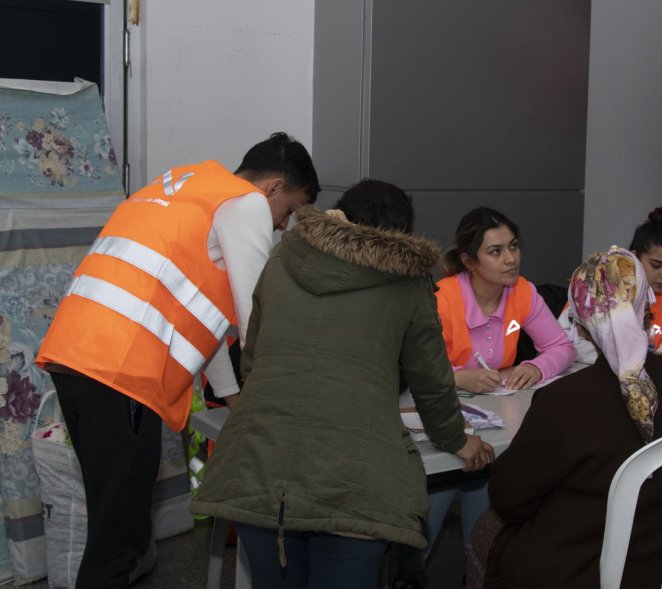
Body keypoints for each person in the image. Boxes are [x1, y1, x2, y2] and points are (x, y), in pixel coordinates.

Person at [34, 132, 319, 588]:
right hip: (121, 370)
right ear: (271, 188)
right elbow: (257, 315)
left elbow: (206, 314)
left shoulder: (183, 185)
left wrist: (229, 394)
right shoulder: (245, 204)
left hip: (77, 357)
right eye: (288, 212)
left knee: (114, 521)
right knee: (118, 538)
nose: (282, 226)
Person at [192, 180, 493, 589]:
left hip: (259, 467)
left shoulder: (282, 257)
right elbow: (432, 383)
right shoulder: (407, 282)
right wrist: (458, 440)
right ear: (400, 235)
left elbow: (254, 356)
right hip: (354, 480)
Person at [471, 247, 662, 588]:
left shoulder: (564, 403)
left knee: (487, 529)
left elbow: (508, 498)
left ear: (582, 327)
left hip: (590, 571)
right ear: (647, 310)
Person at [395, 206, 576, 588]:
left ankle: (474, 572)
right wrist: (461, 377)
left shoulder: (521, 292)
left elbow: (562, 346)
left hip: (495, 419)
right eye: (496, 251)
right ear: (468, 261)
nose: (510, 258)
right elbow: (412, 366)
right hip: (437, 420)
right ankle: (409, 570)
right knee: (437, 499)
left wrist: (537, 367)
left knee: (487, 497)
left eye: (513, 246)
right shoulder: (441, 299)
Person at [559, 205, 662, 363]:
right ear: (632, 258)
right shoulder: (597, 287)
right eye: (656, 265)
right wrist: (629, 360)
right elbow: (563, 340)